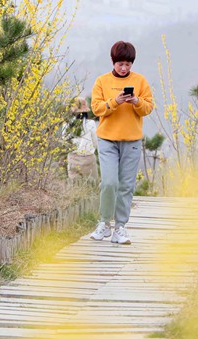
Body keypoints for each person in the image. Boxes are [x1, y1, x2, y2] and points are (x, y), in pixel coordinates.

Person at [89, 41, 154, 245]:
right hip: (107, 139)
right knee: (109, 183)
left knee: (126, 185)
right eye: (120, 64)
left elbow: (148, 108)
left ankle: (120, 227)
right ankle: (104, 223)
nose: (124, 68)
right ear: (113, 62)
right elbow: (97, 108)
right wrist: (115, 101)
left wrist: (137, 102)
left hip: (132, 140)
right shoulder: (102, 81)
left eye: (127, 64)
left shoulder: (141, 81)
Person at [66, 97, 98, 181]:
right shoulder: (91, 123)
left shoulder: (66, 125)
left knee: (74, 185)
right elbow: (95, 142)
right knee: (92, 185)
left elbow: (65, 141)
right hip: (88, 158)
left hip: (73, 158)